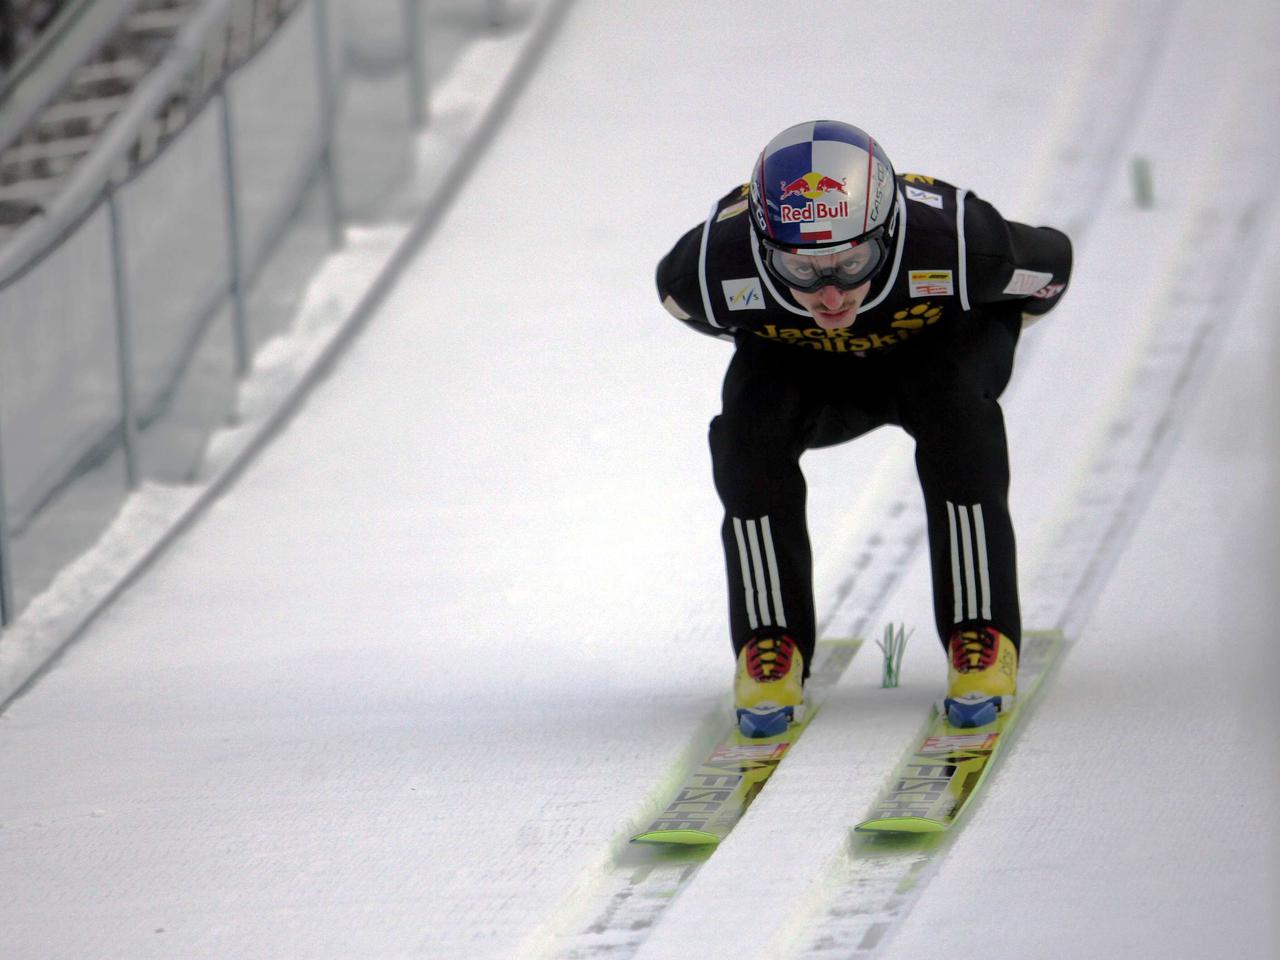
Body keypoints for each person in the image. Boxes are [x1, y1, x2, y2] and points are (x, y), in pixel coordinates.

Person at [655, 120, 1072, 734]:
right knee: (746, 438)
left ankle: (979, 630)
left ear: (892, 232)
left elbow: (1049, 268)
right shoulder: (705, 271)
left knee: (959, 418)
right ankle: (770, 645)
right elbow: (706, 315)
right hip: (809, 369)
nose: (830, 294)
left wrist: (976, 340)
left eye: (854, 262)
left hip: (935, 359)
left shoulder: (960, 240)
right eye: (801, 271)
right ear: (763, 249)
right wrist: (827, 331)